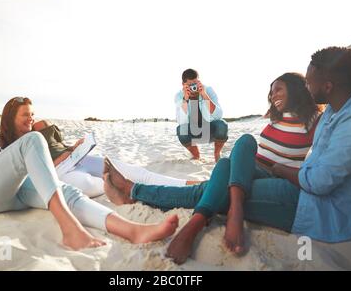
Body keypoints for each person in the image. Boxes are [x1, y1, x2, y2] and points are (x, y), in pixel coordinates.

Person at [104, 72, 324, 263]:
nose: (273, 95)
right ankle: (134, 191)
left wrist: (282, 170)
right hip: (248, 170)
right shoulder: (274, 117)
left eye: (278, 90)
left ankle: (141, 194)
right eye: (271, 92)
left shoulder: (315, 119)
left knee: (207, 187)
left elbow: (321, 162)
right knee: (243, 144)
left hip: (274, 177)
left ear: (295, 90)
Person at [0, 92, 179, 250]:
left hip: (13, 187)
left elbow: (15, 159)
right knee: (33, 140)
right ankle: (70, 228)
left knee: (66, 192)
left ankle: (132, 230)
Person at [0, 97, 199, 198]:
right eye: (26, 115)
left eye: (32, 113)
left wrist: (73, 147)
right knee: (106, 185)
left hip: (77, 159)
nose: (31, 118)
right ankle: (174, 194)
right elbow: (28, 176)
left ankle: (192, 185)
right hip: (60, 173)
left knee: (131, 172)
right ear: (11, 118)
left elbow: (57, 147)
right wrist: (63, 157)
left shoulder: (39, 129)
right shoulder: (8, 146)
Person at [175, 69, 228, 162]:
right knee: (181, 130)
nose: (193, 87)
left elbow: (218, 115)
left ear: (199, 81)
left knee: (222, 125)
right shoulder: (179, 96)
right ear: (183, 84)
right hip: (193, 132)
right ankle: (196, 155)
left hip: (210, 130)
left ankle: (217, 153)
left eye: (195, 83)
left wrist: (205, 95)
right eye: (190, 85)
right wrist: (185, 99)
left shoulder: (208, 90)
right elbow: (181, 122)